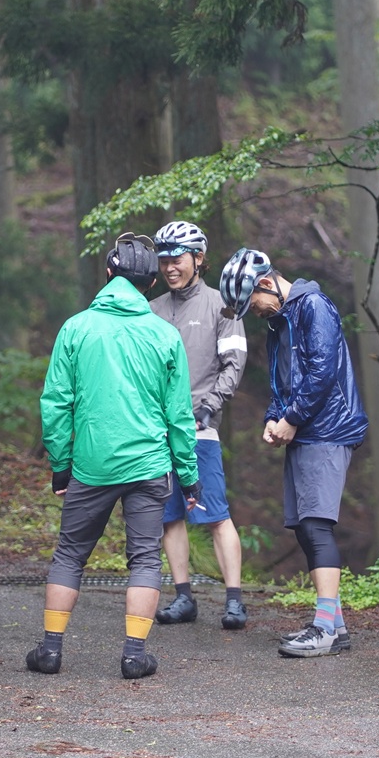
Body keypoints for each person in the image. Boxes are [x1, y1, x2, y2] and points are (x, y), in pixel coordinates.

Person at [27, 233, 200, 681]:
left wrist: (61, 464)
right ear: (150, 283)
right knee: (145, 559)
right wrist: (188, 474)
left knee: (69, 554)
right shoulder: (165, 335)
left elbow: (56, 403)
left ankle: (50, 650)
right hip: (149, 464)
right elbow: (179, 414)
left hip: (92, 463)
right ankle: (134, 655)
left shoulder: (76, 328)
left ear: (108, 274)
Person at [219, 247, 368, 658]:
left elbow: (322, 371)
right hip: (305, 432)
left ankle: (323, 629)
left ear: (266, 283)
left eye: (252, 302)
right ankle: (335, 626)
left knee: (317, 525)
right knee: (304, 527)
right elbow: (282, 380)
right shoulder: (279, 321)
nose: (254, 312)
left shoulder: (313, 306)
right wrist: (274, 417)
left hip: (328, 430)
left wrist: (293, 417)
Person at [150, 220, 249, 631]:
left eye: (177, 259)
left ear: (198, 259)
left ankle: (235, 600)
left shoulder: (221, 306)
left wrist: (210, 406)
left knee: (215, 514)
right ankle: (183, 597)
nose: (169, 267)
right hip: (156, 432)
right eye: (164, 260)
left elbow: (234, 363)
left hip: (199, 428)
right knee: (169, 515)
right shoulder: (151, 309)